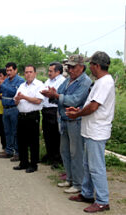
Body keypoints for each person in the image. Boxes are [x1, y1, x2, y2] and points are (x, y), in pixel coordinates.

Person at [66, 51, 114, 213]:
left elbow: (94, 107)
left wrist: (77, 114)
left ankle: (102, 200)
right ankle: (87, 193)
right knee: (88, 165)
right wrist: (78, 109)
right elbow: (91, 104)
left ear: (97, 66)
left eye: (91, 65)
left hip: (97, 131)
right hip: (90, 129)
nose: (90, 68)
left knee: (96, 167)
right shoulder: (100, 81)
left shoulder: (105, 82)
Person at [41, 54, 92, 193]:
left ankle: (78, 183)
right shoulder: (69, 79)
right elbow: (60, 93)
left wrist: (56, 96)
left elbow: (75, 100)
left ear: (81, 67)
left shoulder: (85, 82)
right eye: (68, 67)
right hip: (63, 120)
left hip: (76, 121)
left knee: (76, 153)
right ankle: (69, 179)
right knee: (65, 151)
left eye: (73, 67)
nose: (70, 70)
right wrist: (53, 95)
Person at [13, 65, 44, 173]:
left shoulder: (39, 85)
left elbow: (38, 100)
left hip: (32, 116)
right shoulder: (22, 86)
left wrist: (24, 97)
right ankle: (23, 162)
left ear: (35, 73)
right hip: (21, 115)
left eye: (30, 72)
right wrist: (17, 100)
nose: (28, 74)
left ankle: (33, 164)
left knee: (33, 141)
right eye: (26, 72)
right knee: (22, 141)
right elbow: (16, 100)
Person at [0, 62, 24, 160]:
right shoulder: (6, 80)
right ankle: (9, 150)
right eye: (7, 70)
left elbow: (15, 92)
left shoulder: (20, 81)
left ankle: (17, 152)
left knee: (15, 131)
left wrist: (2, 85)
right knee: (7, 131)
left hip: (14, 109)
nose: (8, 72)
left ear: (15, 70)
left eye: (10, 70)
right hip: (5, 109)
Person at [41, 62, 66, 168]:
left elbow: (58, 95)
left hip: (54, 110)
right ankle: (49, 154)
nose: (49, 73)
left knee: (56, 135)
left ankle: (57, 158)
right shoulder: (48, 81)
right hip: (46, 109)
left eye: (51, 71)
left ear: (58, 72)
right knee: (47, 134)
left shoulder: (62, 81)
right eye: (49, 70)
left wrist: (50, 94)